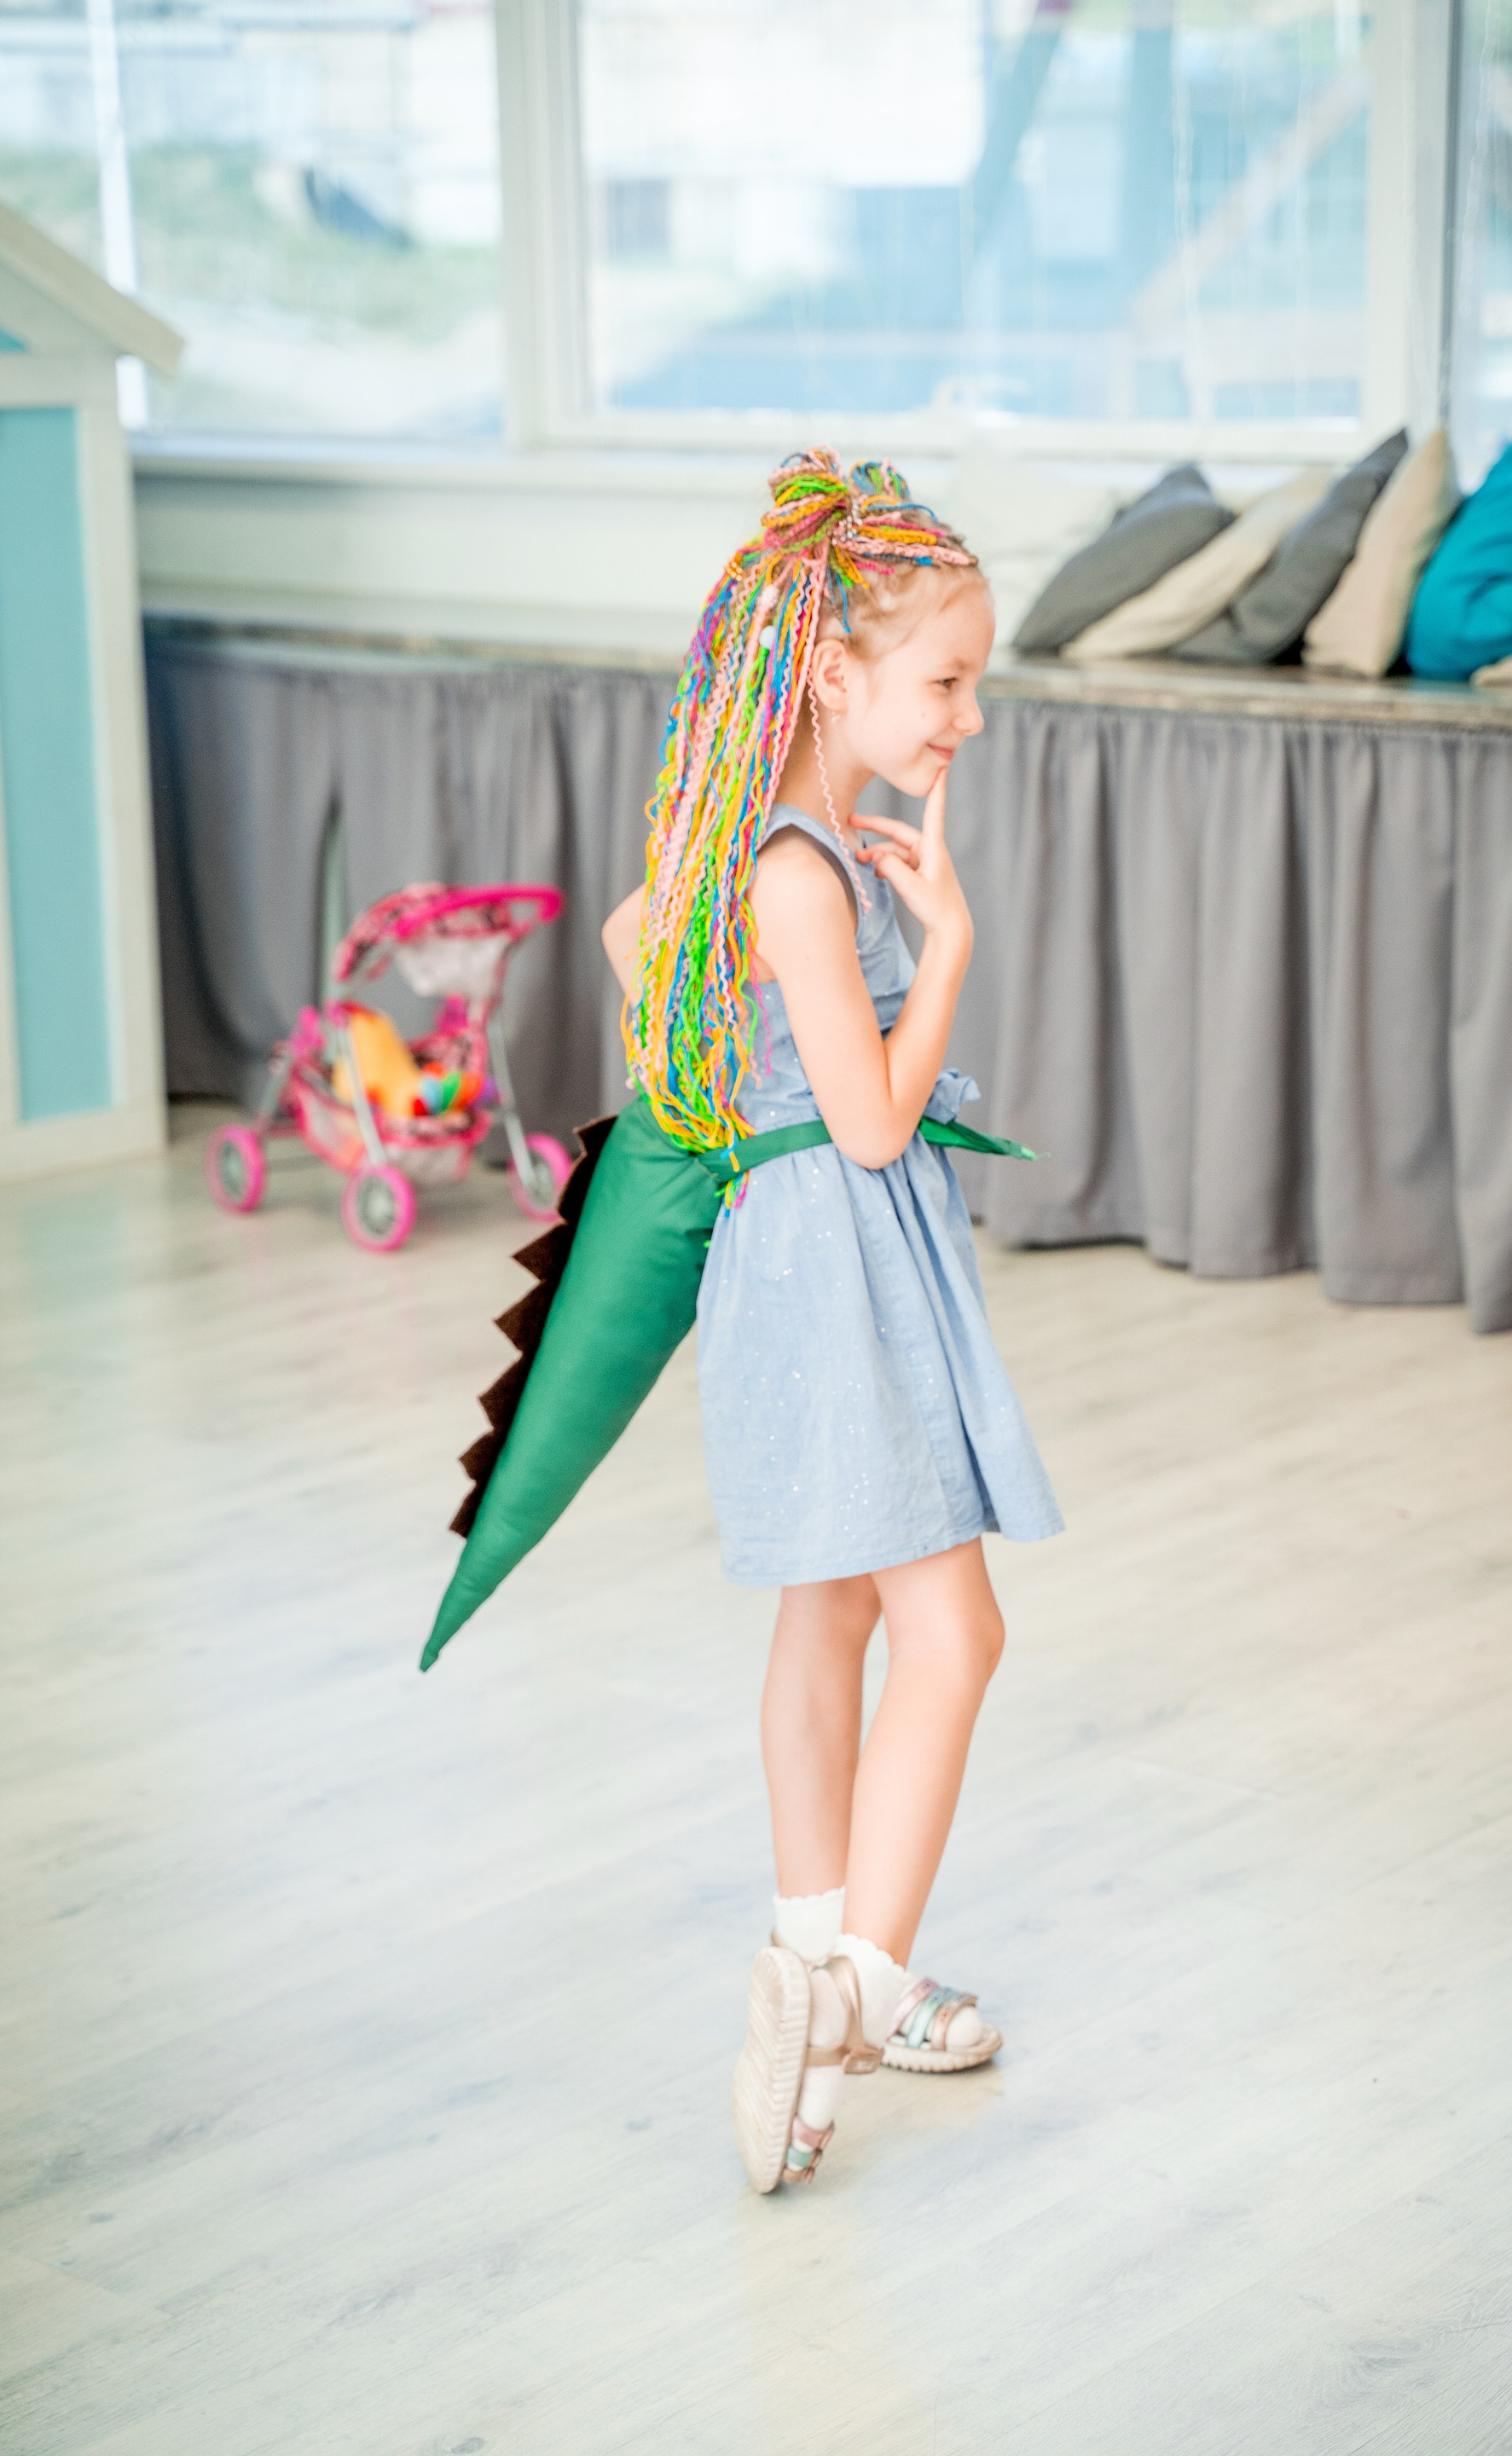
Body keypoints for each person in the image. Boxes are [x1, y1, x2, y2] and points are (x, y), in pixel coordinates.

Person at [600, 450, 1063, 2193]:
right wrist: (945, 951)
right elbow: (871, 1124)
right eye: (945, 681)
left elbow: (641, 939)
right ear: (830, 673)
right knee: (956, 1633)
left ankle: (812, 1968)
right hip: (841, 1262)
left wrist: (741, 1086)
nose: (965, 717)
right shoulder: (807, 874)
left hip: (796, 1263)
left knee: (833, 1613)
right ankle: (858, 1992)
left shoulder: (748, 850)